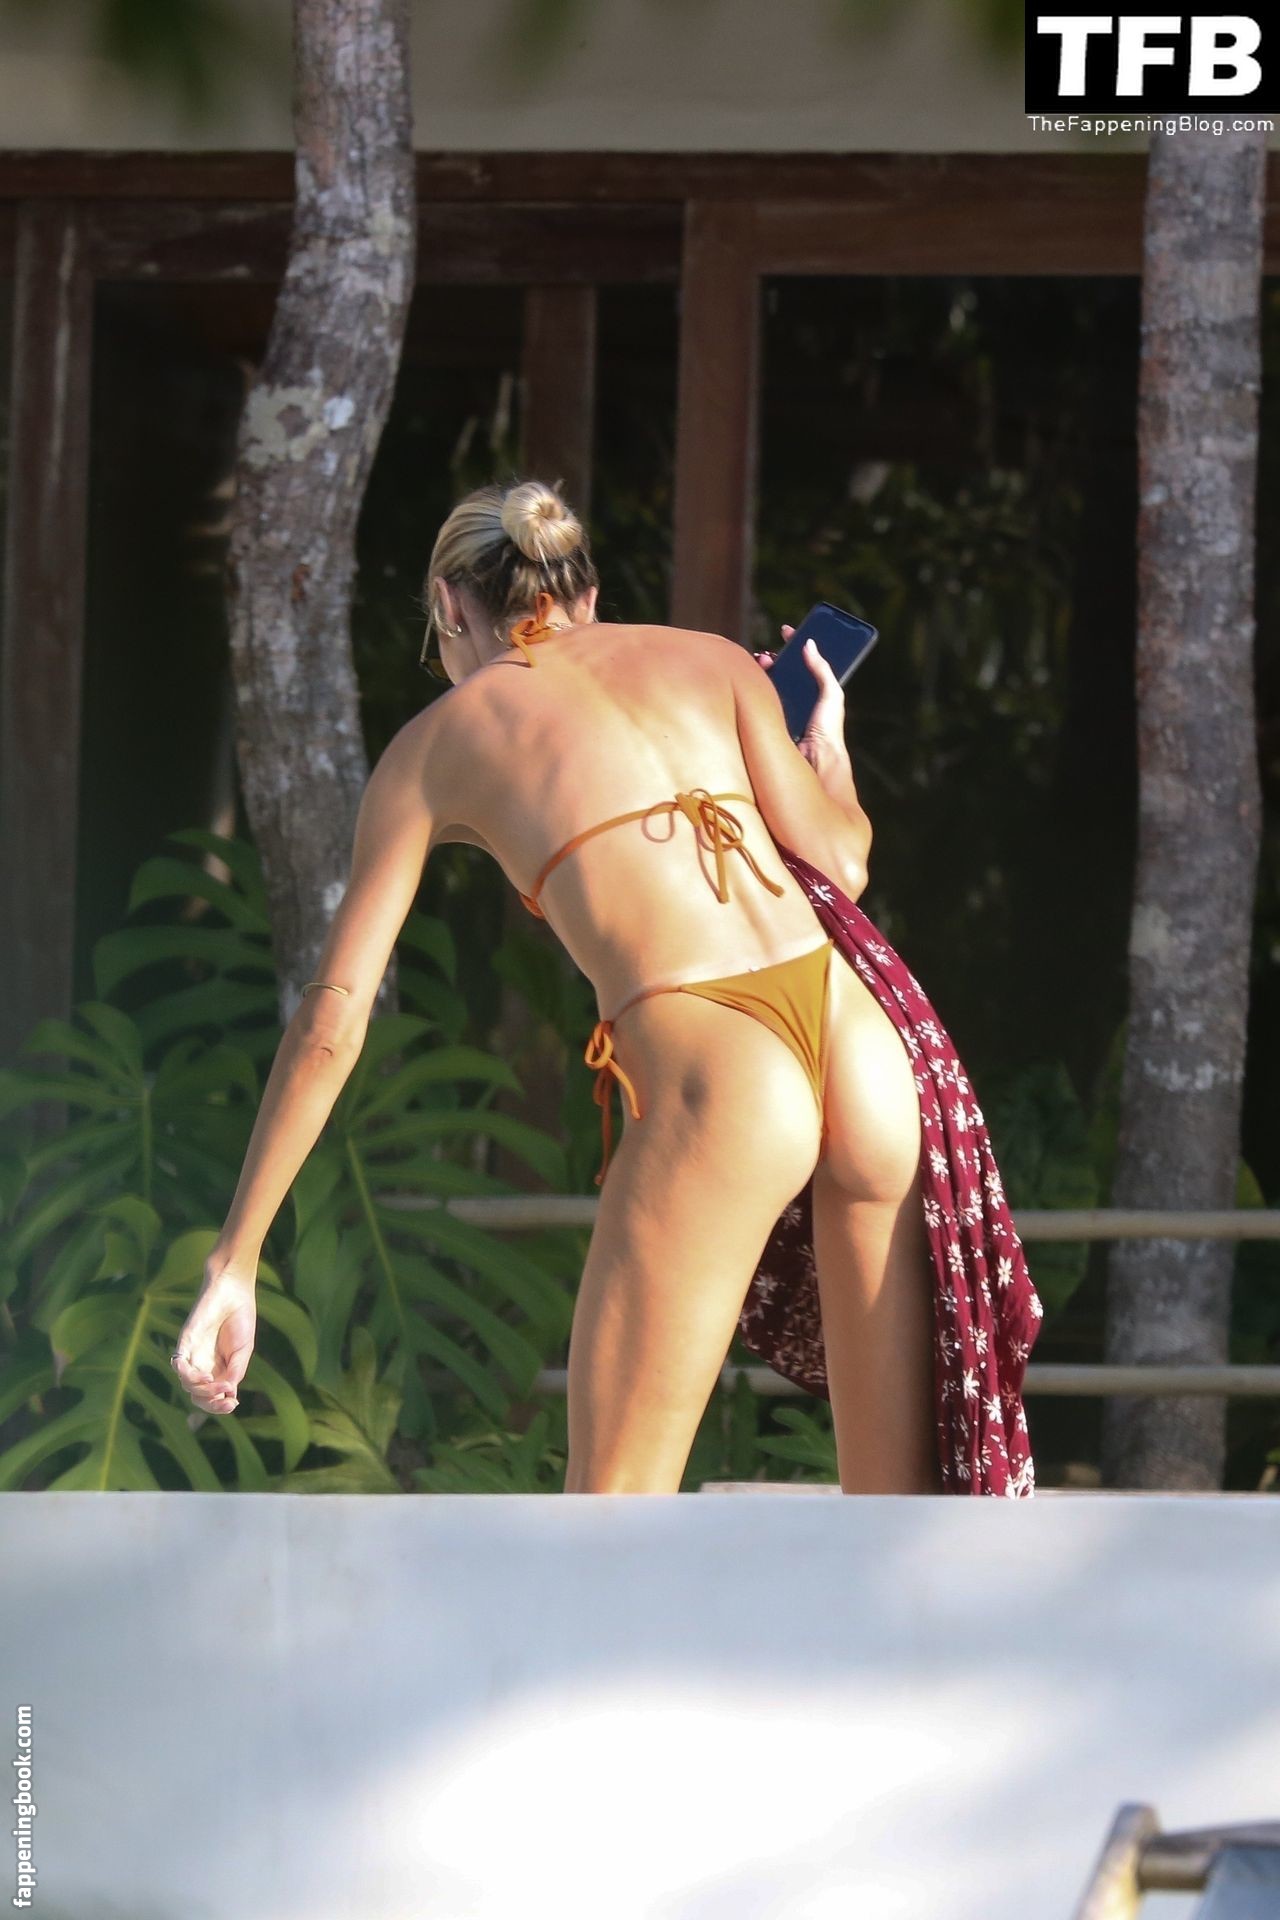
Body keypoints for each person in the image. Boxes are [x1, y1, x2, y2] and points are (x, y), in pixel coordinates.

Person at [172, 476, 1035, 1496]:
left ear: (451, 606)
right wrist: (829, 751)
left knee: (606, 1525)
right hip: (864, 1042)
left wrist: (236, 1257)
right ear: (585, 592)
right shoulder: (714, 660)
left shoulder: (434, 746)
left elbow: (330, 1025)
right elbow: (841, 864)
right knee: (897, 1526)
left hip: (723, 1073)